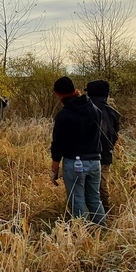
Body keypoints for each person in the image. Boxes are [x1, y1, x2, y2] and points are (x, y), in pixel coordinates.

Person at [49, 75, 107, 226]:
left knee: (77, 200)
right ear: (75, 90)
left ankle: (82, 236)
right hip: (95, 162)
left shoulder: (64, 115)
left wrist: (54, 168)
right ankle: (102, 232)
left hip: (75, 163)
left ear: (58, 94)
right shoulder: (95, 110)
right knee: (94, 198)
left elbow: (58, 145)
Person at [84, 79, 121, 214]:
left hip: (85, 155)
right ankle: (105, 211)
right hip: (106, 155)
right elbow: (115, 135)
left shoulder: (85, 110)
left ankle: (92, 214)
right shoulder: (113, 113)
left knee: (85, 185)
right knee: (102, 185)